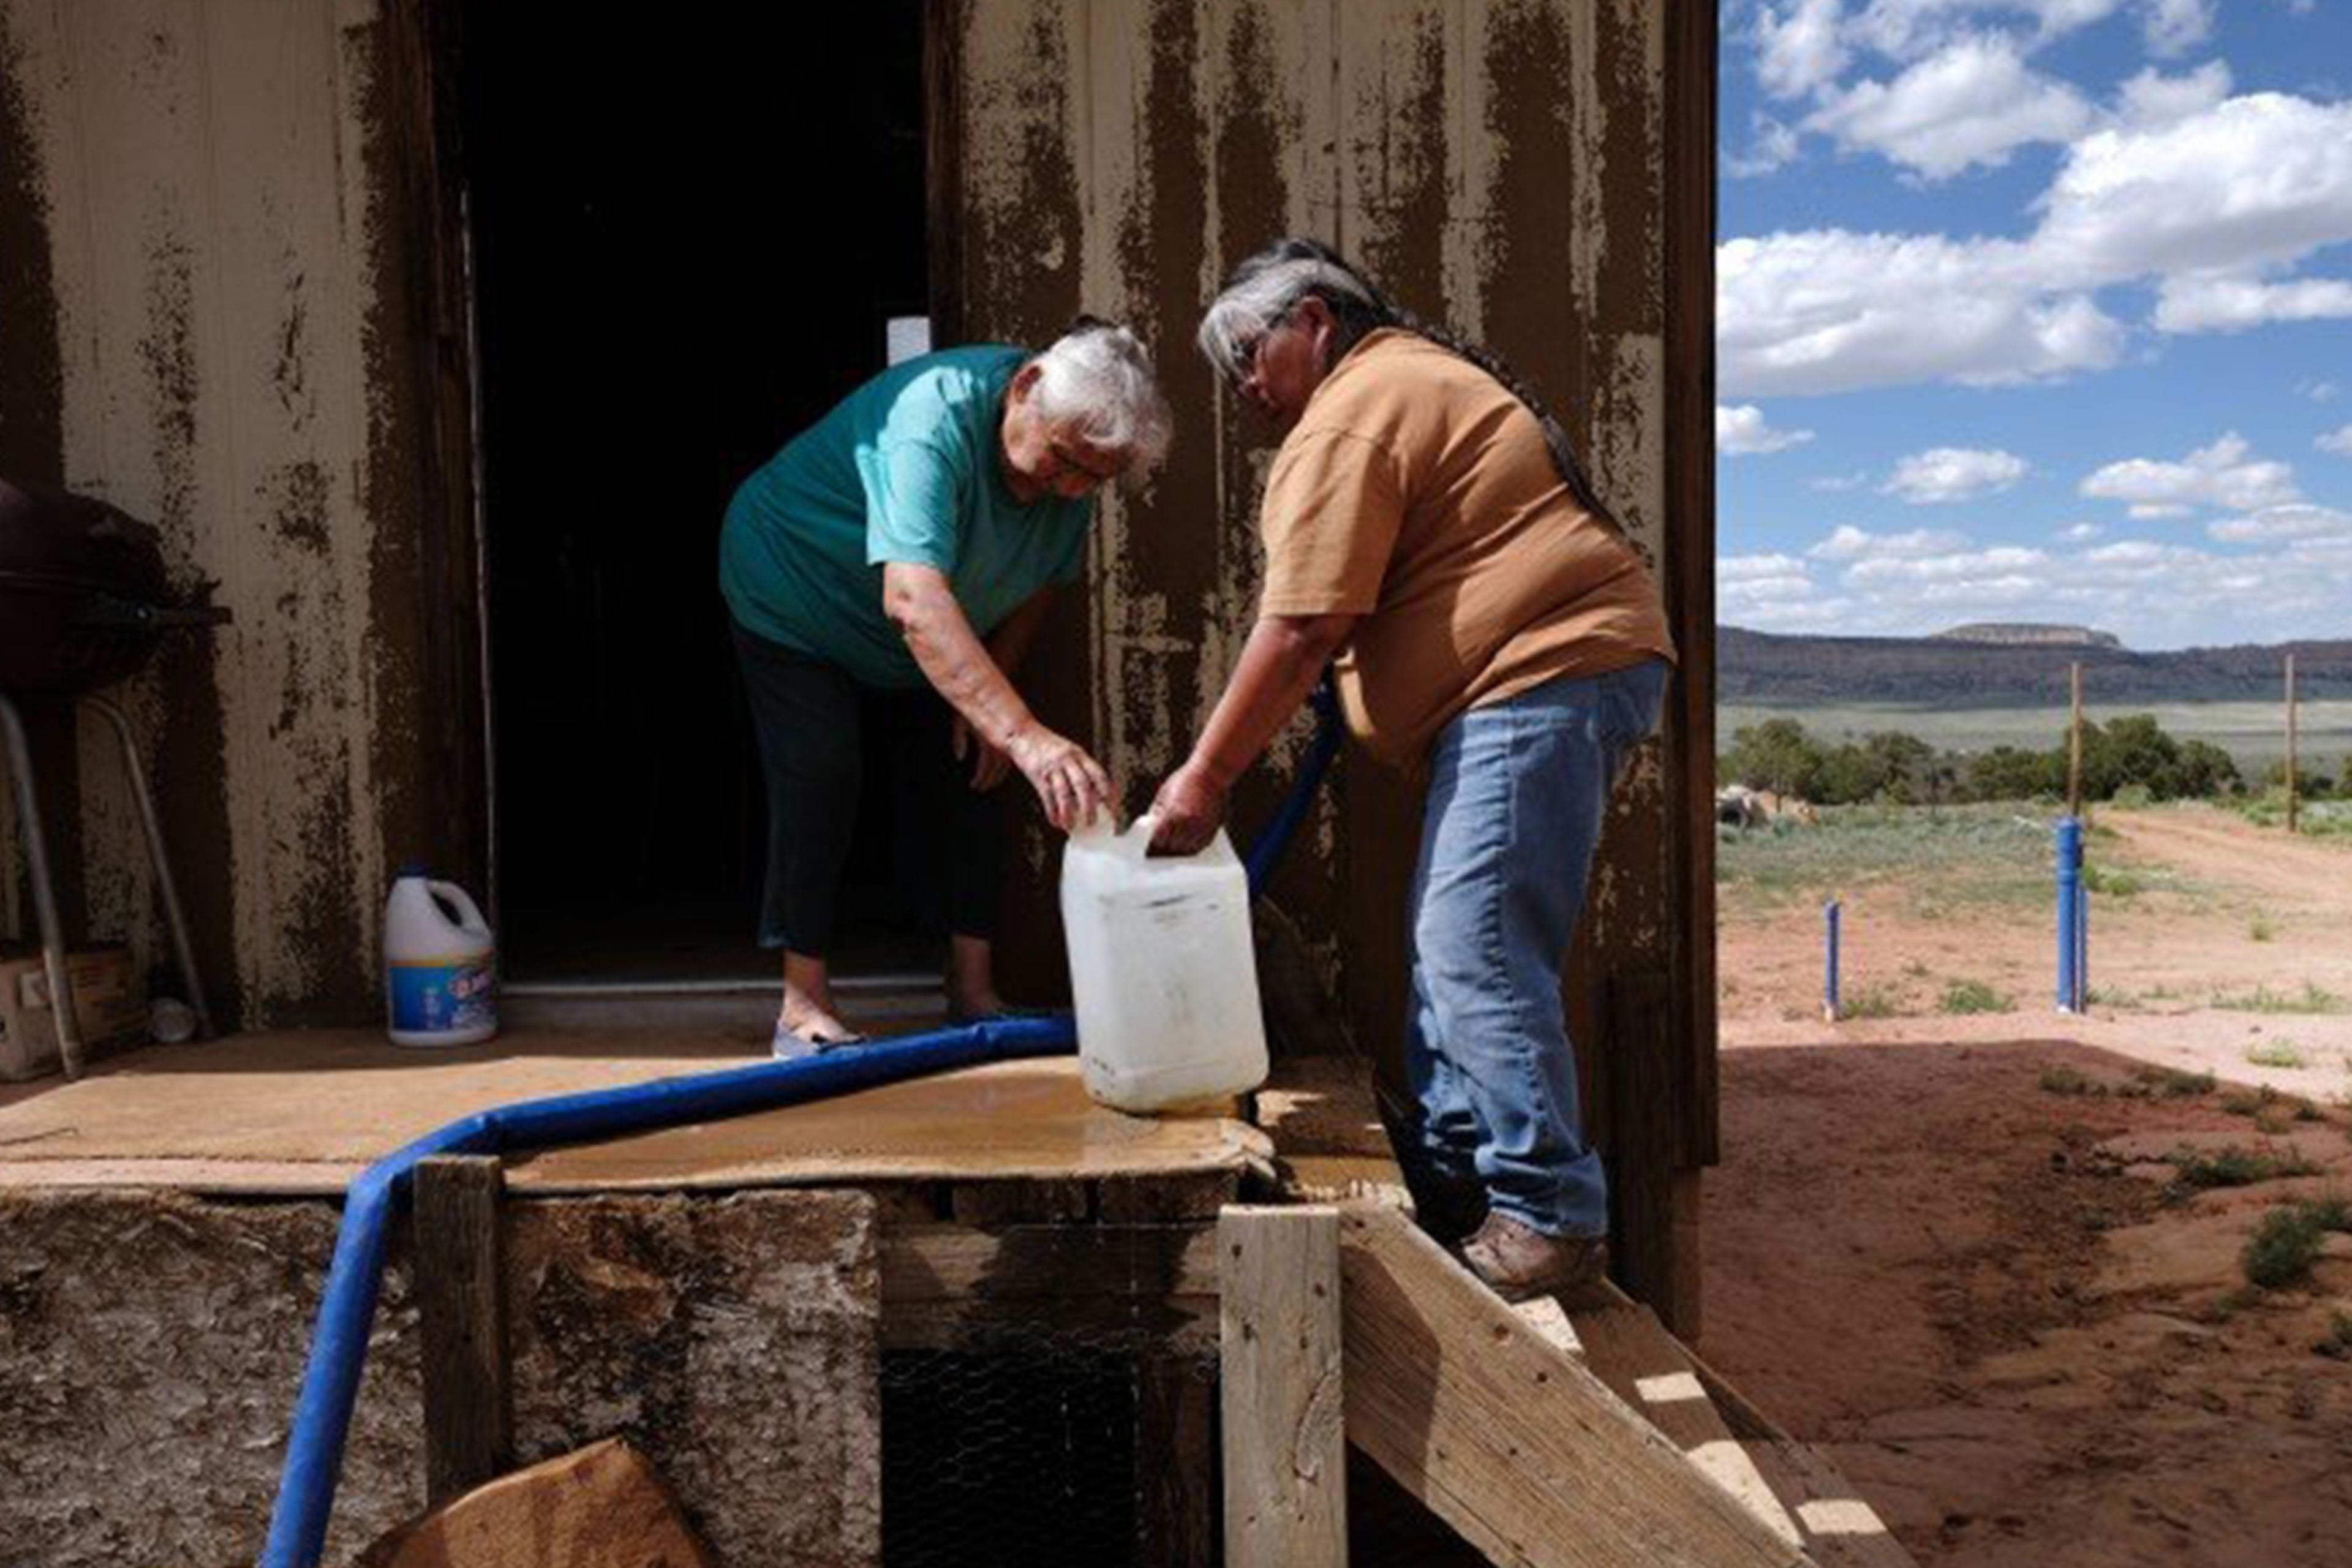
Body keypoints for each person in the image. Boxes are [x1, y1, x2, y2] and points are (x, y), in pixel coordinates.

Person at [1147, 239, 1675, 1298]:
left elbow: (1299, 630)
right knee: (1449, 954)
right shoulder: (1397, 388)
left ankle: (1548, 1213)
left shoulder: (1353, 410)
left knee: (1470, 946)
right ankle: (1459, 1199)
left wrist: (1200, 779)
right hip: (1534, 685)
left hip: (1538, 675)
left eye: (1249, 353)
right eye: (1229, 371)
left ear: (1314, 322)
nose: (1244, 386)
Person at [721, 320, 1170, 1057]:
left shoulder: (1075, 459)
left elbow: (1040, 582)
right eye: (1063, 463)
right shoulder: (932, 419)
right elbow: (913, 600)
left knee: (977, 764)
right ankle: (802, 1003)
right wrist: (1024, 732)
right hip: (795, 592)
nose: (1071, 488)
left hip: (921, 626)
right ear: (1025, 389)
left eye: (1095, 478)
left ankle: (973, 991)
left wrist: (999, 696)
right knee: (821, 768)